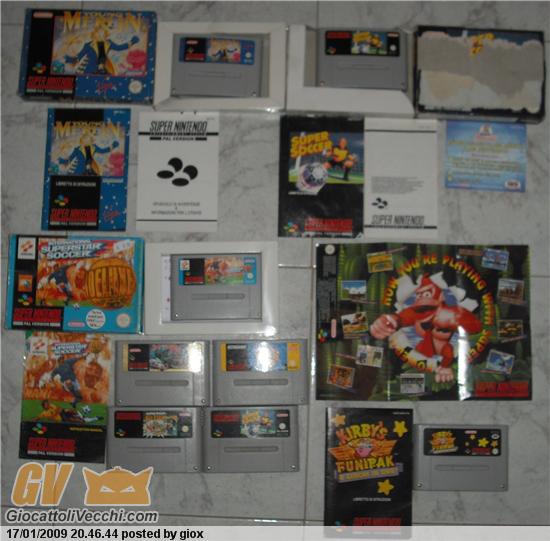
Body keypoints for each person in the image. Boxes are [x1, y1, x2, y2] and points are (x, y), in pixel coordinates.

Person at [64, 26, 139, 75]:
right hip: (89, 69)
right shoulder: (88, 45)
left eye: (102, 33)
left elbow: (119, 47)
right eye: (98, 33)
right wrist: (69, 59)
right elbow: (79, 56)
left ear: (105, 35)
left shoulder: (108, 43)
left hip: (103, 68)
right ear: (94, 34)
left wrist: (132, 42)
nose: (100, 35)